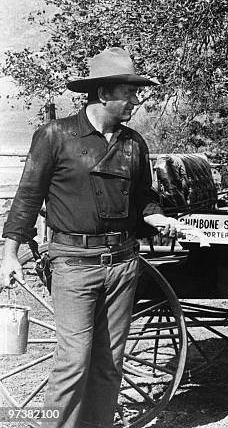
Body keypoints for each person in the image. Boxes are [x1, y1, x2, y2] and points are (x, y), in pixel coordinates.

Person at [0, 47, 193, 428]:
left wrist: (155, 217)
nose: (135, 101)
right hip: (73, 264)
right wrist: (9, 254)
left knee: (109, 364)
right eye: (128, 93)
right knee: (73, 362)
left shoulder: (133, 143)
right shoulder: (55, 136)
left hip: (122, 264)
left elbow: (143, 196)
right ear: (103, 94)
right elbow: (27, 198)